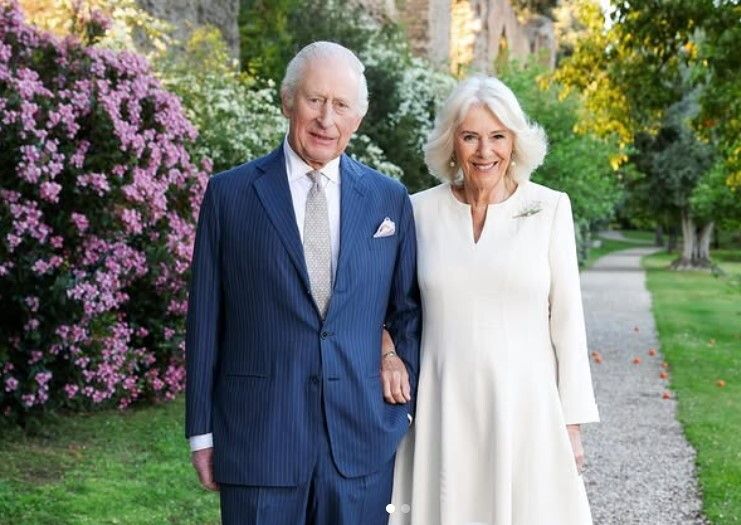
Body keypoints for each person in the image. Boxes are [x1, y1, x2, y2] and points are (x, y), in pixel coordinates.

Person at [185, 41, 421, 525]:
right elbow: (205, 321)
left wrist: (401, 397)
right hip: (259, 440)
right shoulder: (229, 195)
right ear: (288, 101)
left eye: (341, 105)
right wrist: (201, 433)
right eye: (315, 100)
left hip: (360, 444)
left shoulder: (389, 199)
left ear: (358, 118)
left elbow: (407, 311)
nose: (326, 119)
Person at [387, 75, 600, 524]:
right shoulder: (417, 211)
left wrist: (572, 424)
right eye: (470, 137)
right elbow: (385, 305)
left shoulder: (550, 208)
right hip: (441, 405)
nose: (485, 151)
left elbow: (567, 322)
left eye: (498, 136)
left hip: (526, 406)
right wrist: (386, 351)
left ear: (515, 142)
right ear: (452, 143)